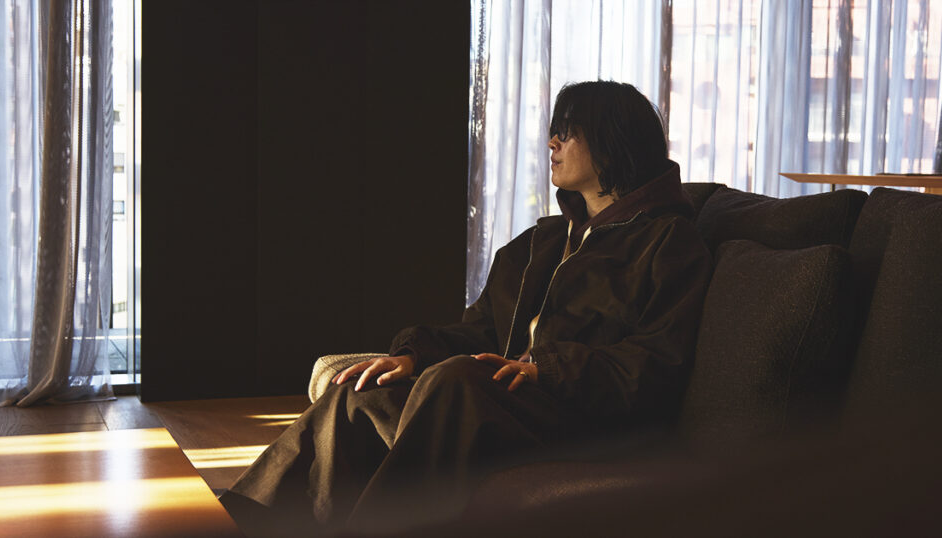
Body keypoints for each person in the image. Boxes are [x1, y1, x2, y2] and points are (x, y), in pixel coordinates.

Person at [219, 81, 712, 536]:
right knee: (361, 394)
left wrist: (545, 368)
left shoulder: (669, 243)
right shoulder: (541, 242)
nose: (552, 144)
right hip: (507, 403)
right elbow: (481, 330)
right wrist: (412, 355)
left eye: (566, 132)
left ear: (610, 141)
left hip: (588, 417)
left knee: (458, 381)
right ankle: (236, 522)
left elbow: (656, 363)